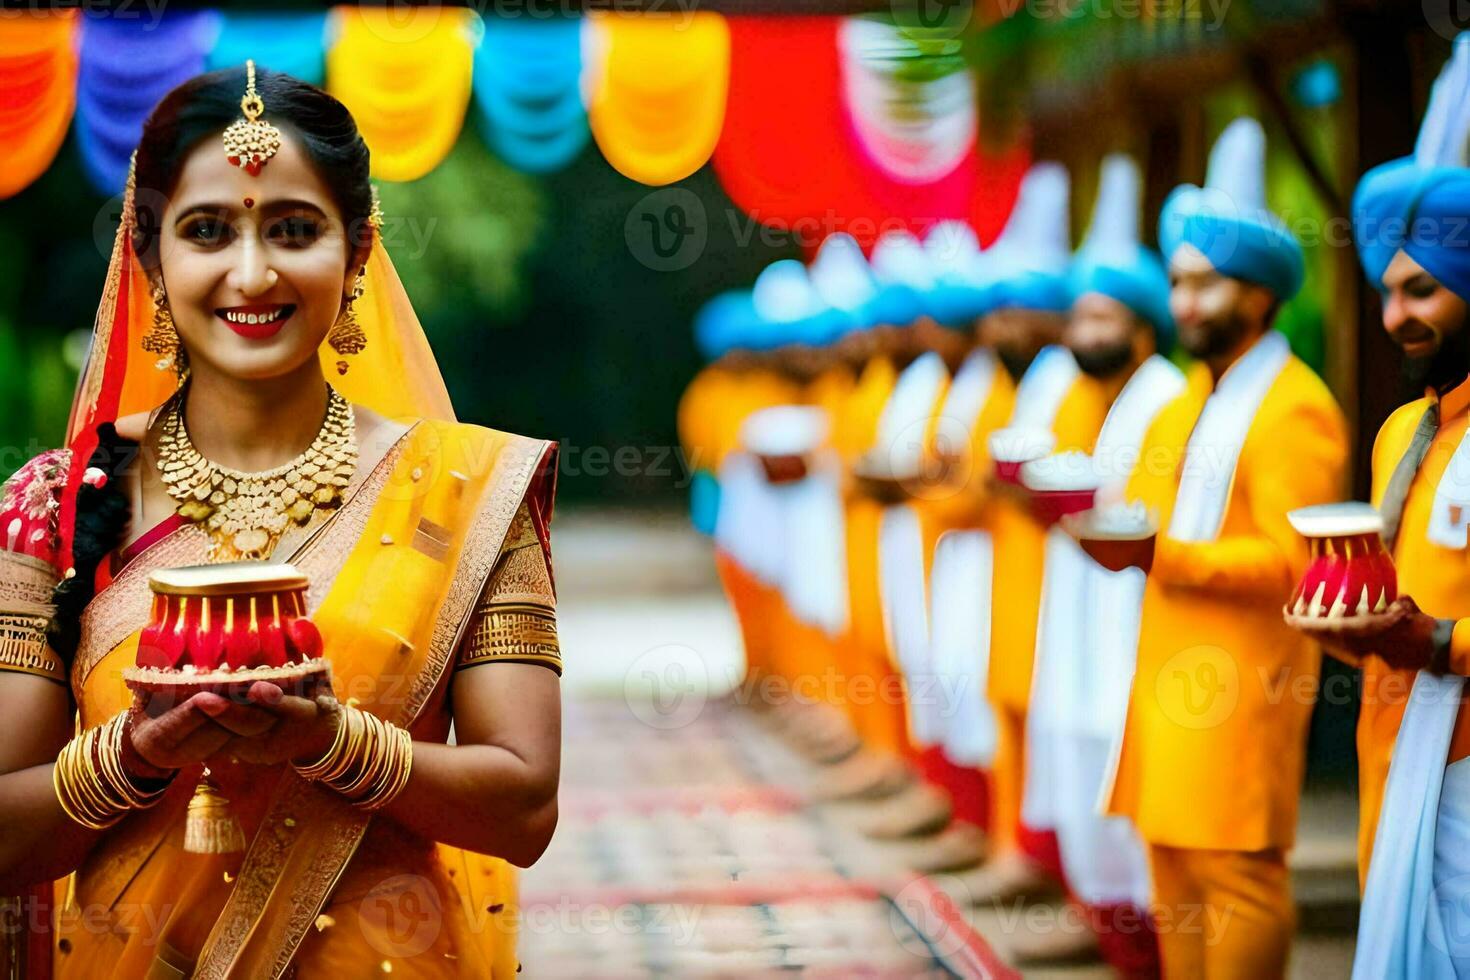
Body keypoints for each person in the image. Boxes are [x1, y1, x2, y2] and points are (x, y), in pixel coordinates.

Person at [0, 65, 562, 978]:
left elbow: (525, 806)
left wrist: (330, 742)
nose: (252, 271)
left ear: (358, 252)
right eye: (208, 230)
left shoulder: (467, 492)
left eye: (294, 230)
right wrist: (133, 757)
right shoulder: (57, 503)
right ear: (150, 257)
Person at [1100, 117, 1348, 978]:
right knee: (1172, 868)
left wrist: (1157, 555)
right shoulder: (1183, 403)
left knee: (1236, 875)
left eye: (1210, 285)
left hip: (1245, 688)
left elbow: (1296, 567)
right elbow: (1143, 516)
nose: (1187, 304)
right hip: (1167, 675)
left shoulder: (1294, 408)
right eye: (1178, 283)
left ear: (1261, 295)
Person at [1292, 34, 1470, 978]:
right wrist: (1340, 622)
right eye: (1387, 292)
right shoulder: (1403, 428)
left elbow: (1436, 625)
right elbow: (1390, 591)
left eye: (1424, 291)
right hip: (1391, 742)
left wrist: (1440, 645)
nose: (1398, 315)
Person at [1017, 154, 1185, 973]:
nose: (1084, 335)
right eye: (1077, 319)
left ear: (1144, 327)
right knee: (1081, 771)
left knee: (1126, 787)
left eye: (1103, 319)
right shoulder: (1092, 397)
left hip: (1137, 623)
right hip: (1081, 610)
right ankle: (1111, 932)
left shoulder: (1164, 399)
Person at [959, 161, 1108, 904]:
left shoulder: (1070, 384)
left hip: (1058, 578)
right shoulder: (1013, 383)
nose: (1000, 327)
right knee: (1010, 704)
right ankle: (1009, 843)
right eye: (997, 311)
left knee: (1049, 718)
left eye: (1018, 310)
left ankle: (1042, 860)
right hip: (1008, 570)